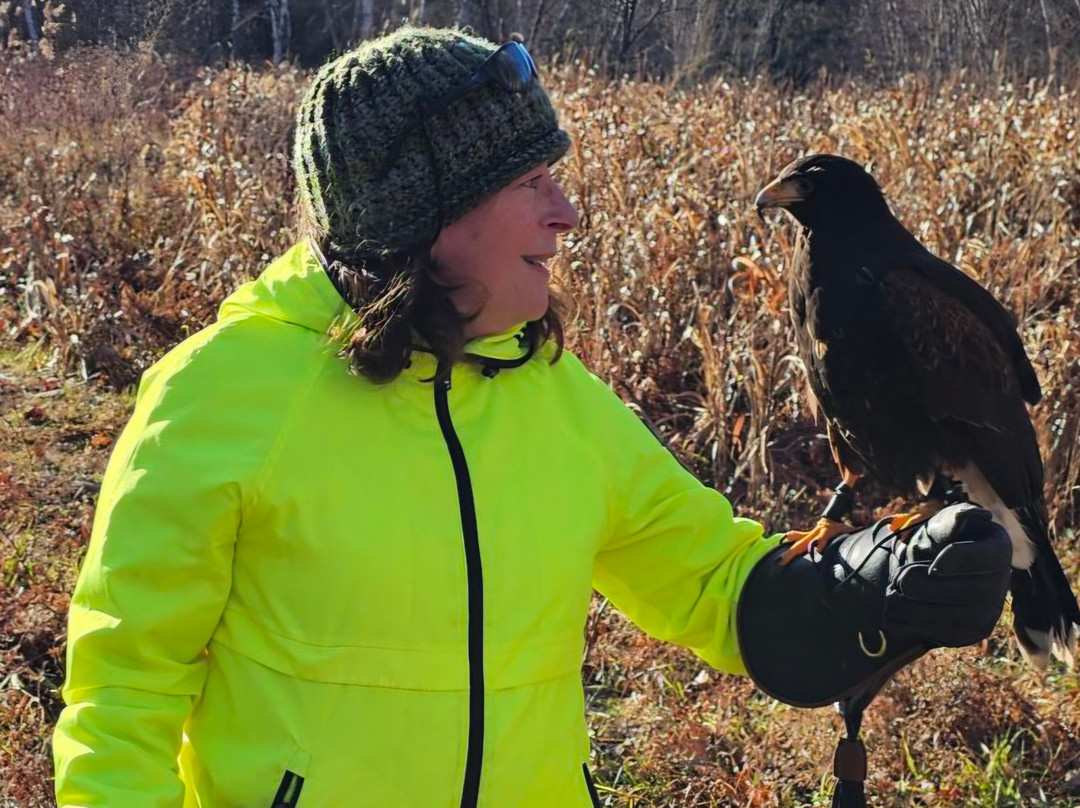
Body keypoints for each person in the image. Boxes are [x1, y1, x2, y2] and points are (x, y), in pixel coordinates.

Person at [52, 26, 1013, 808]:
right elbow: (123, 697)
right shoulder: (218, 400)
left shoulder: (554, 397)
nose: (568, 213)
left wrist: (859, 588)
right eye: (528, 183)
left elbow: (709, 580)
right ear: (423, 210)